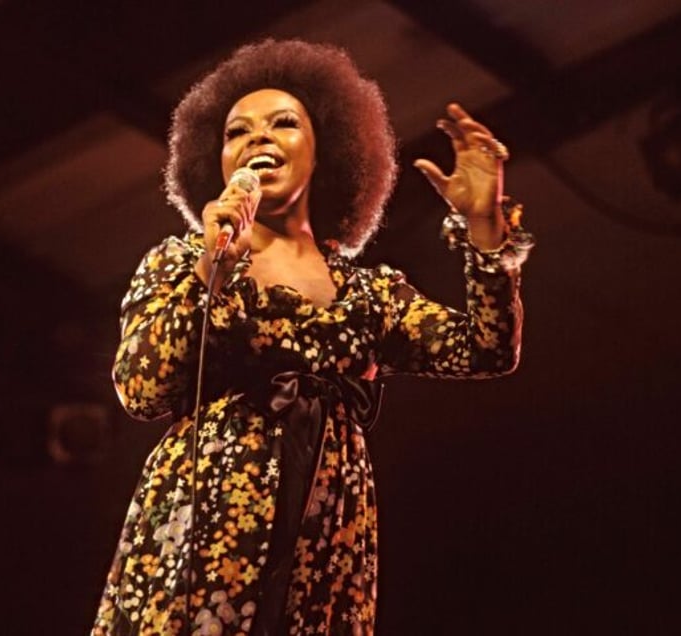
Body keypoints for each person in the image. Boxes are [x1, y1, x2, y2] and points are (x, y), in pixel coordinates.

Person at [92, 39, 532, 636]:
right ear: (215, 161)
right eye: (236, 132)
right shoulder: (181, 260)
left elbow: (486, 349)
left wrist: (484, 227)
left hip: (327, 533)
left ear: (325, 150)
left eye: (284, 123)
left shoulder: (366, 293)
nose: (257, 139)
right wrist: (209, 273)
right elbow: (142, 387)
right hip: (205, 530)